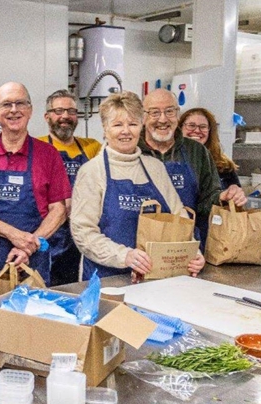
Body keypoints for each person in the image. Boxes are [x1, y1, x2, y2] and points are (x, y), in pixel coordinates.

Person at [71, 92, 205, 280]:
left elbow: (178, 218)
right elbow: (83, 232)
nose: (126, 131)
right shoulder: (92, 171)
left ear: (141, 126)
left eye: (132, 124)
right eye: (118, 125)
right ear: (105, 128)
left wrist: (191, 251)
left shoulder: (155, 168)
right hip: (105, 280)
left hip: (154, 278)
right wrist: (124, 256)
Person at [0, 82, 69, 297]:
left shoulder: (49, 155)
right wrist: (16, 236)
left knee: (32, 326)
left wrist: (28, 246)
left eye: (20, 103)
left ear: (30, 111)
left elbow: (59, 210)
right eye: (6, 104)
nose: (14, 110)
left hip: (33, 260)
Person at [139, 89, 246, 245]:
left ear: (177, 115)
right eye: (154, 112)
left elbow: (206, 201)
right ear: (143, 117)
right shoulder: (132, 151)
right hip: (138, 247)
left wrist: (221, 197)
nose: (162, 119)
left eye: (169, 111)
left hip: (185, 245)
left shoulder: (196, 151)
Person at [43, 89, 102, 285]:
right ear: (47, 116)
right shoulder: (39, 146)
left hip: (82, 228)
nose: (65, 116)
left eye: (71, 111)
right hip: (50, 229)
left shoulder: (92, 147)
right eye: (59, 111)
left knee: (76, 285)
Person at [178, 108, 241, 189]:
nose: (197, 130)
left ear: (210, 131)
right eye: (191, 125)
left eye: (203, 127)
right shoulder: (169, 160)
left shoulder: (224, 166)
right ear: (180, 128)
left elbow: (235, 198)